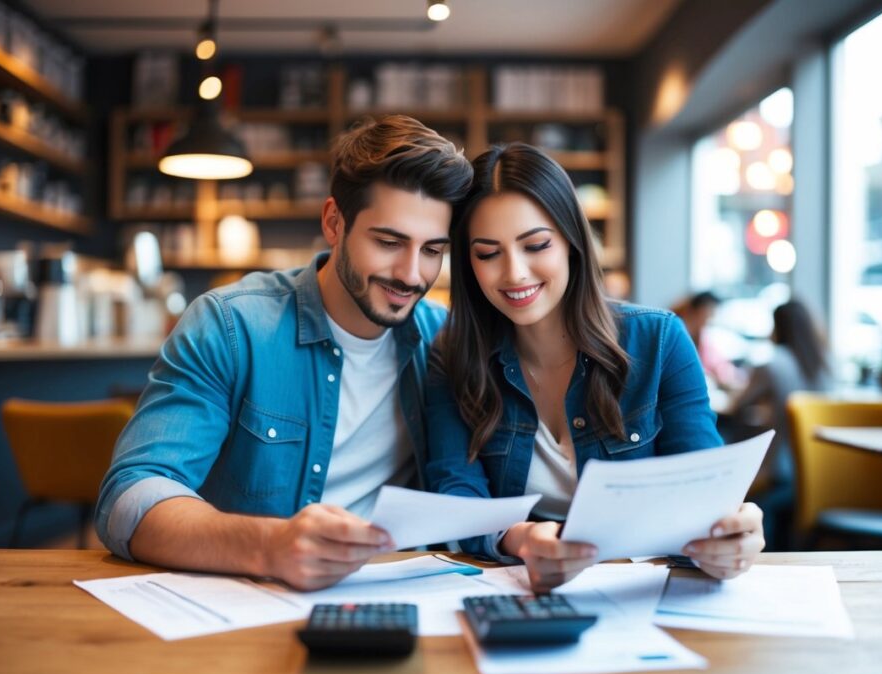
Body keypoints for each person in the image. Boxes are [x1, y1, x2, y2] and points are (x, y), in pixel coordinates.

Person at [95, 115, 473, 591]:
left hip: (396, 594)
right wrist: (269, 547)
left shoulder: (442, 340)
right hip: (248, 599)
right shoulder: (230, 326)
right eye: (389, 242)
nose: (412, 275)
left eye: (433, 250)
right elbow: (130, 498)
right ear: (334, 222)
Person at [425, 143, 765, 593]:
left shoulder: (658, 340)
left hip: (643, 590)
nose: (515, 273)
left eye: (536, 245)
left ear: (571, 241)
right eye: (488, 253)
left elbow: (702, 490)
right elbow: (456, 493)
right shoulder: (452, 355)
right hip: (518, 589)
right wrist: (519, 538)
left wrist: (728, 537)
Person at [728, 299, 832, 549]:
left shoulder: (774, 364)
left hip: (782, 471)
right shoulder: (825, 364)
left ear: (777, 327)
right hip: (824, 470)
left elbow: (735, 406)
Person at [671, 291, 745, 391]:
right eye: (710, 312)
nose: (711, 317)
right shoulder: (676, 329)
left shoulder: (700, 334)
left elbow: (714, 361)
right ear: (699, 310)